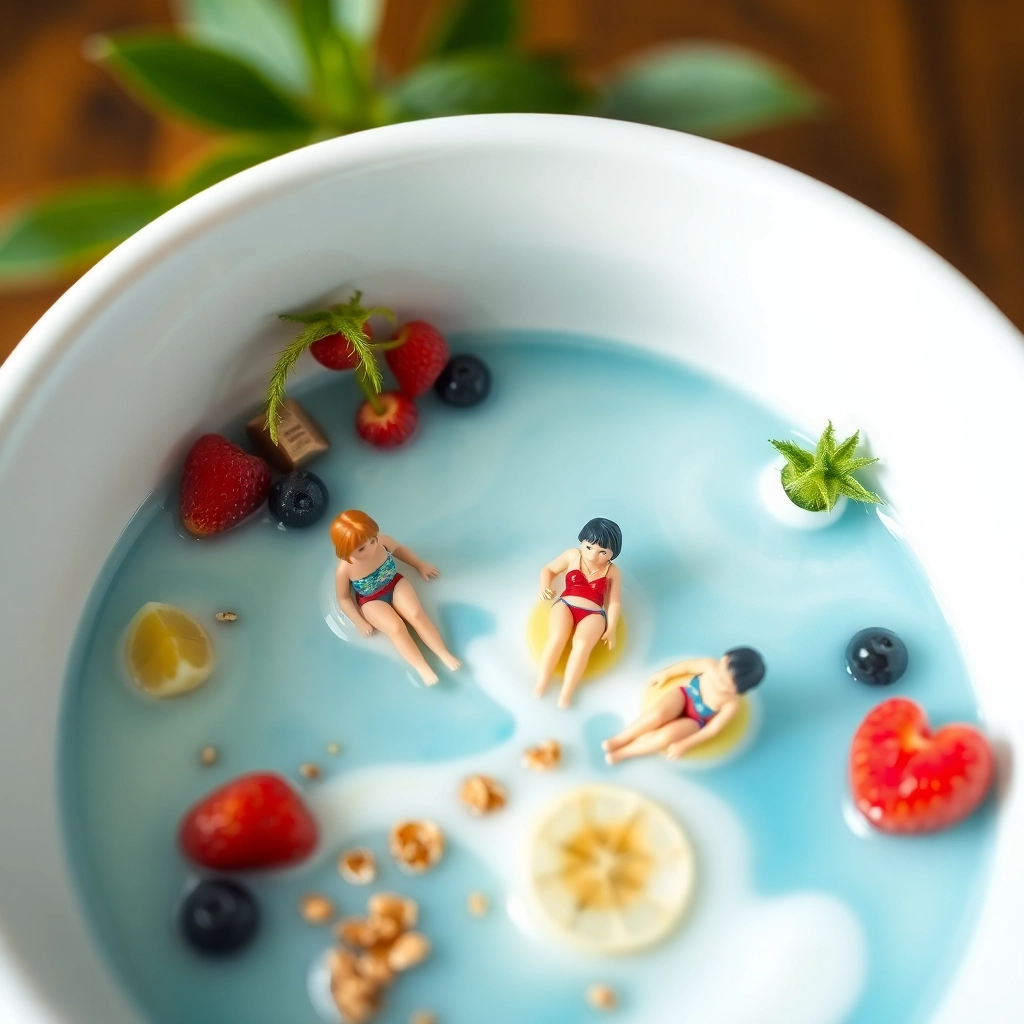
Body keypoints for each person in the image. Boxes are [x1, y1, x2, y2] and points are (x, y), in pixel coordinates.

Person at [331, 509, 460, 686]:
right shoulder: (344, 569)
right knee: (396, 628)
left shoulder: (382, 542)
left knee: (416, 614)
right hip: (370, 600)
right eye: (361, 549)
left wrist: (419, 564)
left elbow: (400, 550)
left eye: (372, 540)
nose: (370, 548)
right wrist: (359, 621)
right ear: (345, 551)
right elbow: (344, 598)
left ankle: (443, 653)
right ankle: (422, 668)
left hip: (394, 583)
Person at [603, 648, 765, 763]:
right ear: (724, 659)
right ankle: (621, 739)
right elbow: (687, 666)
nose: (718, 682)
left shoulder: (730, 704)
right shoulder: (709, 666)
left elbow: (712, 730)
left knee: (666, 736)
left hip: (697, 719)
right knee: (656, 715)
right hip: (684, 695)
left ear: (738, 691)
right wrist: (665, 674)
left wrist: (685, 744)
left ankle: (625, 752)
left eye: (726, 685)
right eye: (721, 674)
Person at [535, 518, 623, 708]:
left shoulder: (612, 571)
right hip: (565, 604)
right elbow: (548, 569)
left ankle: (567, 692)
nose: (593, 556)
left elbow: (614, 602)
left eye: (603, 552)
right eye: (589, 547)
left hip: (593, 614)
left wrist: (612, 627)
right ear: (582, 541)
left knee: (582, 645)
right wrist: (544, 587)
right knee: (557, 637)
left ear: (612, 553)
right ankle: (541, 682)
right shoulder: (571, 555)